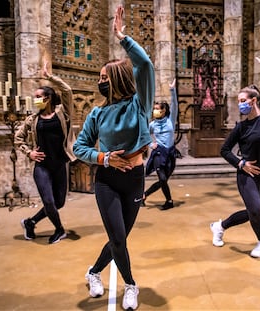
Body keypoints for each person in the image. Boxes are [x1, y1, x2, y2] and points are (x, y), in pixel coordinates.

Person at [72, 6, 154, 310]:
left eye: (103, 77)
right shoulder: (97, 113)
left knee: (119, 238)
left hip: (134, 180)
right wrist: (104, 158)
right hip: (107, 180)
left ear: (117, 78)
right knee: (118, 237)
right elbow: (78, 148)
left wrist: (123, 37)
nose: (100, 81)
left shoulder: (139, 105)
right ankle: (132, 285)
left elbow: (144, 65)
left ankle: (93, 272)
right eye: (99, 78)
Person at [210, 45, 260, 258]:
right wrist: (241, 164)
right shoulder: (241, 128)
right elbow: (224, 150)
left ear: (254, 100)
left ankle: (220, 226)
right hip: (248, 174)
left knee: (254, 212)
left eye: (243, 101)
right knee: (256, 211)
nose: (240, 105)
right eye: (239, 102)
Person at [14, 62, 76, 244]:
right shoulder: (32, 119)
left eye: (39, 97)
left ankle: (30, 222)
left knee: (59, 203)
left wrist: (50, 77)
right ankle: (59, 229)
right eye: (35, 97)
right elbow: (18, 139)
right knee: (49, 201)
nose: (36, 100)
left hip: (60, 164)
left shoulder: (62, 113)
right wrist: (29, 153)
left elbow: (67, 91)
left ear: (48, 98)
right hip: (42, 166)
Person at [144, 79, 178, 210]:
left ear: (164, 111)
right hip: (158, 153)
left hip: (170, 154)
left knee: (163, 181)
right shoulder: (152, 124)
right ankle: (169, 201)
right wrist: (149, 144)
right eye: (154, 109)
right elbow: (144, 135)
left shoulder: (170, 121)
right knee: (162, 179)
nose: (155, 111)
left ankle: (144, 195)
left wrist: (172, 90)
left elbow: (174, 104)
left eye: (158, 109)